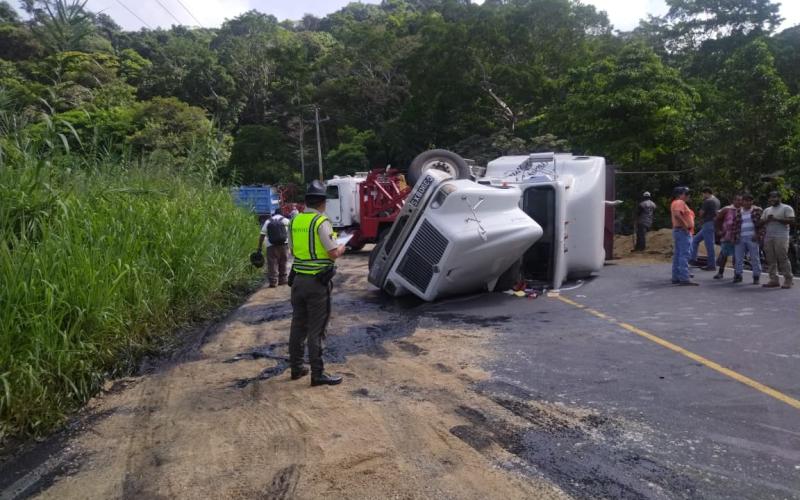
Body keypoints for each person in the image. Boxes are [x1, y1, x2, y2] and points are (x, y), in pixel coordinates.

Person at [288, 180, 347, 386]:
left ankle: (296, 369)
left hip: (298, 281)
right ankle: (318, 373)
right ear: (322, 202)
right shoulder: (321, 222)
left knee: (297, 326)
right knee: (316, 329)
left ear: (306, 201)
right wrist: (342, 247)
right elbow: (332, 254)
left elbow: (293, 251)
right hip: (316, 283)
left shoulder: (295, 221)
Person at [759, 191, 795, 289]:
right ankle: (773, 280)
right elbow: (760, 223)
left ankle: (788, 280)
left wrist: (776, 219)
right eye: (771, 197)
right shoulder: (767, 210)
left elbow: (792, 221)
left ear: (780, 198)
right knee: (770, 259)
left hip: (782, 236)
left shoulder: (787, 208)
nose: (772, 199)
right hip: (769, 236)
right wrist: (767, 220)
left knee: (782, 257)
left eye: (774, 197)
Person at [732, 193, 762, 284]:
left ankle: (756, 277)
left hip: (752, 237)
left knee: (754, 258)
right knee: (738, 258)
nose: (747, 202)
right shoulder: (738, 211)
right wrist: (734, 236)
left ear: (752, 201)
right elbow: (735, 225)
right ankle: (738, 275)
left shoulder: (757, 210)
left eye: (749, 200)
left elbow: (762, 224)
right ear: (743, 201)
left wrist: (758, 235)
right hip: (740, 237)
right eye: (745, 200)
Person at [671, 186, 698, 285]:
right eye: (686, 194)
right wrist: (686, 226)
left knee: (678, 255)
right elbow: (678, 215)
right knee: (684, 255)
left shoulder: (676, 202)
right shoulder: (679, 202)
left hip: (679, 231)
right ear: (681, 194)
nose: (688, 196)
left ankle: (677, 276)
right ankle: (684, 278)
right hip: (683, 232)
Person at [257, 209, 290, 288]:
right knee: (283, 262)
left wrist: (259, 247)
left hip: (271, 246)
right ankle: (283, 280)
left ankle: (273, 282)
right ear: (282, 214)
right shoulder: (286, 220)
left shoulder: (268, 221)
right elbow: (291, 233)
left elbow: (262, 235)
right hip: (284, 245)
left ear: (274, 214)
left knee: (272, 264)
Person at [689, 187, 720, 271]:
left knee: (709, 245)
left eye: (703, 194)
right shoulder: (717, 200)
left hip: (708, 224)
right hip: (713, 223)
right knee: (695, 240)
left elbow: (701, 213)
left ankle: (711, 265)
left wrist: (700, 216)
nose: (702, 196)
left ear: (706, 193)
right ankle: (693, 259)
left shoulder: (708, 201)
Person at [713, 194, 742, 280]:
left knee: (737, 256)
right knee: (724, 255)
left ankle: (737, 274)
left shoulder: (743, 210)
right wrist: (718, 230)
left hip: (738, 237)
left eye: (741, 200)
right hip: (727, 236)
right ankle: (720, 272)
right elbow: (717, 219)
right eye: (737, 200)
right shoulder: (727, 209)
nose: (739, 202)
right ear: (733, 201)